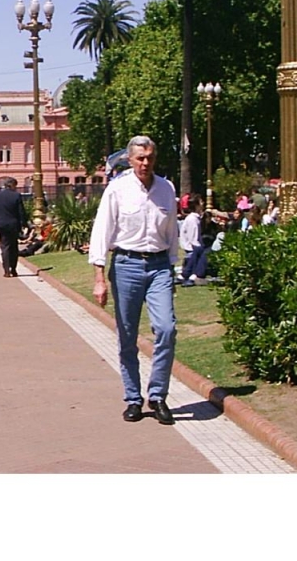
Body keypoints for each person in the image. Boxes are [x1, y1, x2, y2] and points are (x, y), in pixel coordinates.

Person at [89, 135, 179, 425]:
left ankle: (158, 395)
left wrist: (172, 267)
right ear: (130, 160)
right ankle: (133, 399)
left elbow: (172, 231)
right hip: (126, 265)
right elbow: (102, 231)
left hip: (159, 265)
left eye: (150, 157)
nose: (145, 163)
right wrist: (99, 277)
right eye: (140, 158)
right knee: (127, 336)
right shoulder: (117, 189)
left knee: (166, 329)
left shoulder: (166, 188)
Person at [0, 177, 27, 277]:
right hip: (13, 225)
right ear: (12, 185)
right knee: (14, 247)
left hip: (1, 224)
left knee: (5, 247)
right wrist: (24, 224)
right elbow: (21, 212)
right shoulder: (16, 195)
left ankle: (6, 270)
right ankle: (13, 269)